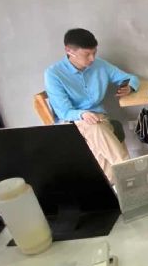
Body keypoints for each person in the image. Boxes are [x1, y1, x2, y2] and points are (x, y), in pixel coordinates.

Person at [44, 29, 138, 181]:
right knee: (96, 129)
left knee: (99, 140)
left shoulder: (100, 65)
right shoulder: (53, 74)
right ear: (69, 51)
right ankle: (130, 173)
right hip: (72, 122)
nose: (92, 58)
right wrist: (82, 114)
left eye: (94, 52)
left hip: (98, 118)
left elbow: (130, 78)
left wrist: (130, 86)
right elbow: (64, 112)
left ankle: (114, 185)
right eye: (87, 54)